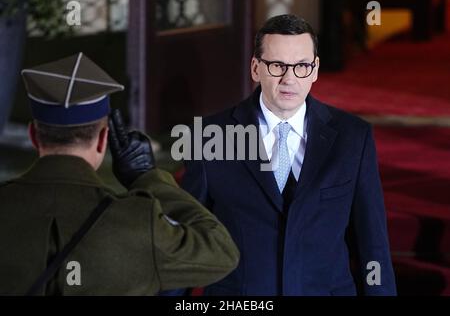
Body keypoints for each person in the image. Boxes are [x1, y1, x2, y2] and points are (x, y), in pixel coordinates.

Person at [177, 15, 396, 295]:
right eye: (277, 65)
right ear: (256, 68)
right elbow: (187, 241)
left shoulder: (353, 137)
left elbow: (372, 244)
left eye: (302, 66)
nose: (289, 78)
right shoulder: (208, 136)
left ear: (315, 69)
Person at [0, 53, 239, 295]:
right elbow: (221, 252)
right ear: (104, 140)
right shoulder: (138, 220)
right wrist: (147, 177)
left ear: (33, 135)